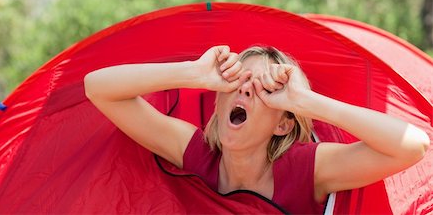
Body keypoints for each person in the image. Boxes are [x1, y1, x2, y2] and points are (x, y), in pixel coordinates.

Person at [84, 45, 429, 214]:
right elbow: (97, 88)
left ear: (283, 123)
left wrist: (306, 101)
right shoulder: (196, 151)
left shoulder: (305, 168)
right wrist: (192, 74)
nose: (246, 89)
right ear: (219, 106)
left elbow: (412, 145)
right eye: (238, 81)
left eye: (266, 90)